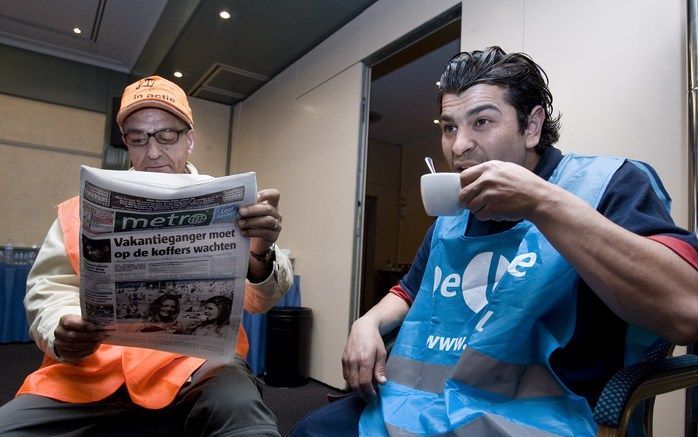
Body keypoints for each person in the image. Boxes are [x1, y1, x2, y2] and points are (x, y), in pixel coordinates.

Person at [292, 47, 698, 436]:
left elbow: (685, 309)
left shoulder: (608, 184)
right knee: (311, 427)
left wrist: (542, 202)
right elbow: (410, 291)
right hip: (426, 405)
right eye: (449, 127)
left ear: (532, 126)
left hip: (540, 417)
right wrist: (368, 322)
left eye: (481, 122)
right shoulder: (452, 219)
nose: (460, 146)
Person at [0, 75, 294, 436]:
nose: (152, 152)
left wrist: (261, 251)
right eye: (138, 138)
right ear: (126, 143)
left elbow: (258, 301)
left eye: (166, 136)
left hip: (197, 367)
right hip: (90, 370)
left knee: (244, 419)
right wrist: (62, 327)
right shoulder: (82, 208)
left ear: (190, 139)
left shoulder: (232, 203)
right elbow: (49, 289)